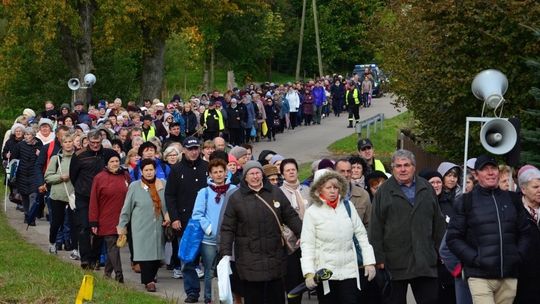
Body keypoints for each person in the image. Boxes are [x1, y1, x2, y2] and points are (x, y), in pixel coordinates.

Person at [446, 155, 530, 304]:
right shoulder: (466, 201)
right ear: (476, 175)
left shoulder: (512, 199)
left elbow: (525, 232)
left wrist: (518, 256)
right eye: (485, 169)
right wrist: (474, 258)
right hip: (480, 276)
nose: (490, 173)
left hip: (508, 275)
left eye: (493, 168)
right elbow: (453, 238)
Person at [369, 149, 446, 304]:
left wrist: (442, 250)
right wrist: (378, 257)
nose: (402, 169)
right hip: (395, 261)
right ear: (393, 168)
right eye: (398, 166)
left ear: (414, 167)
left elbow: (437, 222)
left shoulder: (426, 187)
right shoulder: (383, 191)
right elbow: (375, 227)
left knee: (431, 299)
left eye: (406, 165)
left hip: (424, 260)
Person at [220, 161, 302, 304]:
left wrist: (302, 234)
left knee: (276, 296)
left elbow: (290, 216)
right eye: (251, 173)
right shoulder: (236, 198)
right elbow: (227, 228)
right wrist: (225, 253)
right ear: (245, 177)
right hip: (249, 259)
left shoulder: (275, 192)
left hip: (274, 256)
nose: (255, 176)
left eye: (258, 173)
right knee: (254, 297)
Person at [301, 169, 376, 303]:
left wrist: (369, 262)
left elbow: (361, 235)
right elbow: (307, 244)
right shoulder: (312, 212)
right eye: (328, 187)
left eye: (335, 187)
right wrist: (309, 273)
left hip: (349, 271)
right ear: (319, 189)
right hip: (326, 275)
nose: (332, 191)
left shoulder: (348, 206)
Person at [165, 136, 208, 303]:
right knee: (187, 259)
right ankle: (192, 292)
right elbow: (170, 195)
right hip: (185, 221)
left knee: (209, 260)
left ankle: (210, 294)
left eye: (196, 148)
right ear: (184, 150)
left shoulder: (206, 167)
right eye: (190, 149)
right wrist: (174, 218)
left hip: (206, 221)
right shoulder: (176, 170)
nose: (194, 152)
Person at [117, 159, 170, 292]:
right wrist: (122, 227)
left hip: (158, 226)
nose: (148, 172)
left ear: (155, 170)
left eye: (151, 170)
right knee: (145, 255)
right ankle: (149, 281)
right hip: (140, 227)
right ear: (141, 171)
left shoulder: (162, 184)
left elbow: (167, 204)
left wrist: (169, 216)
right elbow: (126, 208)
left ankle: (151, 277)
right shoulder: (135, 186)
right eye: (146, 170)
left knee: (157, 256)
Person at [191, 158, 237, 304]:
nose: (218, 175)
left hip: (229, 239)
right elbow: (197, 214)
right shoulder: (204, 192)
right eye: (215, 172)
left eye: (221, 171)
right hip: (209, 239)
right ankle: (209, 298)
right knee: (210, 271)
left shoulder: (234, 190)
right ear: (210, 174)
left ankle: (227, 298)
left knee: (229, 270)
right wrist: (209, 229)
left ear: (226, 173)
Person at [69, 130, 116, 269]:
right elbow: (73, 175)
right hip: (84, 195)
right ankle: (85, 258)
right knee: (84, 227)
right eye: (92, 142)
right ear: (88, 141)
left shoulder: (108, 154)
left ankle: (94, 258)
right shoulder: (79, 155)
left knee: (99, 230)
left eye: (98, 142)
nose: (95, 145)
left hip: (102, 198)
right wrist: (81, 188)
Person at [89, 151, 131, 283]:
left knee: (115, 247)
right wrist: (93, 221)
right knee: (113, 246)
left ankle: (107, 274)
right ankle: (119, 275)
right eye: (112, 162)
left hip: (122, 217)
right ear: (106, 164)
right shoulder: (99, 178)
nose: (115, 164)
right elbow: (94, 201)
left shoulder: (125, 176)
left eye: (117, 161)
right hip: (105, 218)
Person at [279, 158, 309, 304]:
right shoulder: (278, 193)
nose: (291, 172)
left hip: (309, 240)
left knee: (308, 279)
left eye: (293, 169)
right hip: (290, 242)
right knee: (293, 280)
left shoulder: (307, 190)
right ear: (283, 174)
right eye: (287, 170)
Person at [44, 134, 76, 256]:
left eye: (70, 141)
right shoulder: (56, 159)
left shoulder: (77, 158)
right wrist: (60, 177)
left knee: (74, 223)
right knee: (57, 221)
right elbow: (48, 177)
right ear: (61, 144)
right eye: (65, 142)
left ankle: (74, 248)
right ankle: (52, 243)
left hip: (73, 195)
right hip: (58, 195)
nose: (68, 144)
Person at [514, 165, 540, 303]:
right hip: (522, 279)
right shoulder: (514, 211)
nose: (539, 190)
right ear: (523, 189)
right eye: (535, 187)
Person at [12, 127, 43, 225]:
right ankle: (26, 214)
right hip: (22, 174)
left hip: (34, 173)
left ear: (33, 135)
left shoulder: (39, 144)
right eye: (25, 134)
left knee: (33, 195)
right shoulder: (19, 145)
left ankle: (31, 217)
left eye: (28, 134)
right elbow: (14, 158)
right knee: (24, 195)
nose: (26, 136)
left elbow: (43, 159)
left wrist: (40, 155)